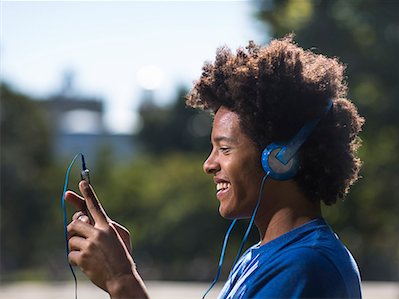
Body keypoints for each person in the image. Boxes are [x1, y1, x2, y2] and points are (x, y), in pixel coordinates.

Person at [66, 35, 364, 299]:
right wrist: (122, 271)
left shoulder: (304, 266)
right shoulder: (264, 257)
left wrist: (122, 281)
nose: (208, 164)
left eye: (224, 149)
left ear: (280, 158)